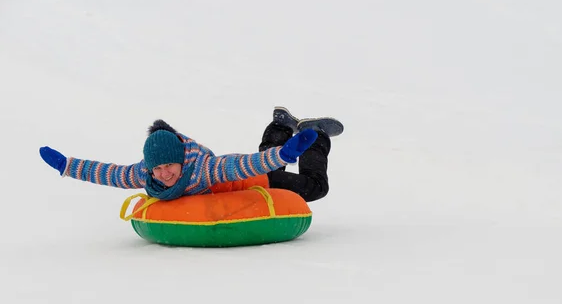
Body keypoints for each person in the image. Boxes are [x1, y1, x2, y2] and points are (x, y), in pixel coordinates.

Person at [39, 107, 343, 202]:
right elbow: (106, 172)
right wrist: (67, 166)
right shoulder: (146, 173)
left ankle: (314, 138)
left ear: (181, 160)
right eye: (157, 169)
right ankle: (280, 128)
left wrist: (287, 154)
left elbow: (244, 164)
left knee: (316, 188)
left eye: (169, 165)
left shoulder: (205, 169)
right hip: (250, 176)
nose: (164, 174)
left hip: (257, 178)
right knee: (267, 158)